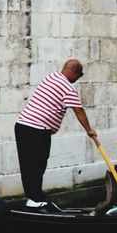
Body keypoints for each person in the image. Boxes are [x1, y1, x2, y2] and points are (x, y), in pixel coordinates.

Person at [15, 59, 96, 209]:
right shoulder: (68, 88)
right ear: (73, 72)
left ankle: (33, 198)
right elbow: (78, 110)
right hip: (37, 130)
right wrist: (89, 130)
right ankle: (35, 199)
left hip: (22, 126)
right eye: (80, 75)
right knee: (37, 164)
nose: (78, 78)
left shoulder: (51, 77)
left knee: (27, 164)